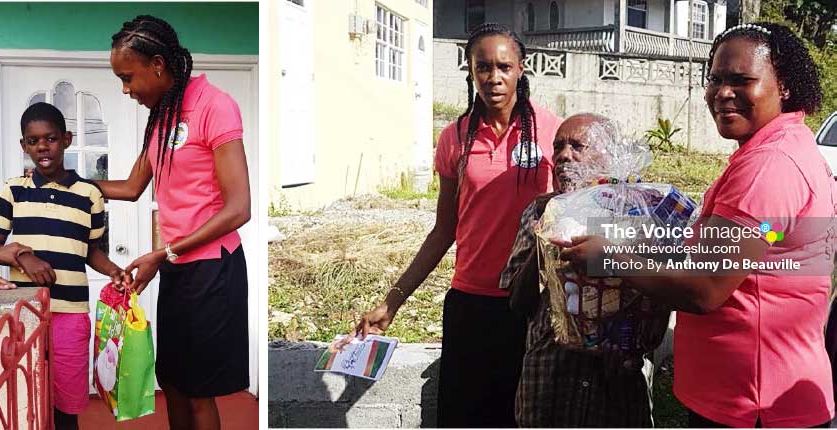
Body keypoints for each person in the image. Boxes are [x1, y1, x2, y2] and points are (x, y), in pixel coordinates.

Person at [558, 22, 834, 427]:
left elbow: (705, 290)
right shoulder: (788, 148)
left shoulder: (769, 168)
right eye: (715, 79)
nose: (723, 93)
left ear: (785, 85)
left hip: (752, 403)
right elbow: (761, 248)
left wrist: (610, 257)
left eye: (742, 80)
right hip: (759, 390)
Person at [349, 23, 563, 427]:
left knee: (523, 418)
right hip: (471, 303)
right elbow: (444, 230)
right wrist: (391, 302)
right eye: (483, 67)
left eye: (504, 66)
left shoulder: (551, 131)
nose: (493, 77)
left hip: (532, 303)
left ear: (521, 68)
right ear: (470, 71)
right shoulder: (455, 137)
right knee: (464, 417)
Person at [96, 15, 251, 430]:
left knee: (198, 389)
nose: (125, 90)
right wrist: (69, 181)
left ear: (159, 65)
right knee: (174, 382)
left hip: (213, 269)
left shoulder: (215, 106)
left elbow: (239, 208)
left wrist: (163, 252)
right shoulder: (161, 118)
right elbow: (131, 187)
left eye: (128, 77)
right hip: (178, 267)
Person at [501, 113, 653, 427]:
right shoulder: (540, 209)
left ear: (608, 157)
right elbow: (518, 302)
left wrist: (633, 346)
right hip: (547, 381)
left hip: (613, 386)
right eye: (558, 146)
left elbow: (656, 301)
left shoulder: (633, 214)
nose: (563, 155)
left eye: (577, 146)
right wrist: (547, 231)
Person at [0, 102, 131, 430]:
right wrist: (22, 255)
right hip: (24, 313)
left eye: (50, 138)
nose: (42, 146)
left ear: (66, 139)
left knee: (67, 405)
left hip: (71, 314)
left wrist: (113, 270)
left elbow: (90, 250)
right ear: (24, 145)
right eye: (33, 140)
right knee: (25, 398)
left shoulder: (90, 195)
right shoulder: (14, 190)